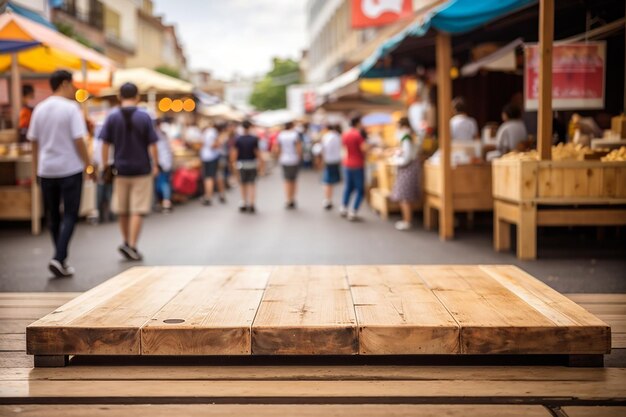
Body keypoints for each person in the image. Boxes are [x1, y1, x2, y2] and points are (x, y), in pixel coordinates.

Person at [27, 70, 93, 277]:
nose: (73, 89)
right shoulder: (71, 108)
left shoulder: (39, 108)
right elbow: (79, 140)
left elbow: (34, 142)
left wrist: (36, 169)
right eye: (72, 85)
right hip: (70, 168)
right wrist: (88, 164)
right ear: (65, 84)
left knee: (53, 216)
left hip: (46, 169)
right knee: (71, 214)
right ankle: (59, 257)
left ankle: (60, 259)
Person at [100, 83, 159, 261]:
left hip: (121, 170)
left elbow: (104, 144)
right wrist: (155, 164)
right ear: (137, 96)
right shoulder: (144, 117)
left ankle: (126, 242)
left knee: (123, 209)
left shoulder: (112, 117)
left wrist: (105, 166)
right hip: (141, 169)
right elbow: (153, 144)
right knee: (137, 209)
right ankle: (132, 245)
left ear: (120, 96)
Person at [389, 117, 421, 231]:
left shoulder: (406, 137)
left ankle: (407, 221)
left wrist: (395, 160)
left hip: (407, 167)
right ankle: (407, 219)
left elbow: (406, 157)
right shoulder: (411, 136)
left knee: (404, 196)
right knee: (407, 196)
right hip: (412, 167)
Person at [231, 120, 264, 213]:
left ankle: (244, 202)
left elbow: (234, 153)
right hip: (252, 164)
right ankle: (252, 204)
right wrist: (261, 164)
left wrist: (233, 164)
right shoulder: (254, 139)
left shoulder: (238, 139)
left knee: (243, 184)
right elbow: (257, 153)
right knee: (252, 184)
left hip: (241, 164)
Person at [341, 116, 368, 221]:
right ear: (358, 123)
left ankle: (343, 207)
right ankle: (354, 211)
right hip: (357, 164)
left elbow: (344, 147)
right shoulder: (358, 135)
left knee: (348, 187)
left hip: (347, 163)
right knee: (360, 190)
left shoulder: (345, 134)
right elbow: (364, 149)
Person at [275, 121, 302, 209]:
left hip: (284, 159)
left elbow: (277, 148)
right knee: (293, 180)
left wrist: (279, 157)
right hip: (293, 159)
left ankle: (288, 199)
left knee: (286, 180)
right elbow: (298, 148)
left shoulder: (281, 135)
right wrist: (299, 157)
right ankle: (292, 198)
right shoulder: (294, 135)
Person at [200, 122, 226, 206]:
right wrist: (220, 142)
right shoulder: (213, 132)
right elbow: (213, 145)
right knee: (212, 176)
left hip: (208, 157)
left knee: (210, 176)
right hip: (212, 157)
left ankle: (210, 196)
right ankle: (211, 196)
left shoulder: (208, 132)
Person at [320, 124, 342, 210]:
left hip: (329, 160)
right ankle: (329, 198)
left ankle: (327, 199)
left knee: (327, 181)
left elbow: (324, 148)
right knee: (330, 181)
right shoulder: (337, 136)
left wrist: (322, 159)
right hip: (335, 160)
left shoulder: (327, 137)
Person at [155, 119, 173, 213]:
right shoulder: (163, 134)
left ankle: (165, 202)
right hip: (165, 161)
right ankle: (164, 202)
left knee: (163, 182)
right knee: (163, 182)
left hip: (161, 162)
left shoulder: (156, 134)